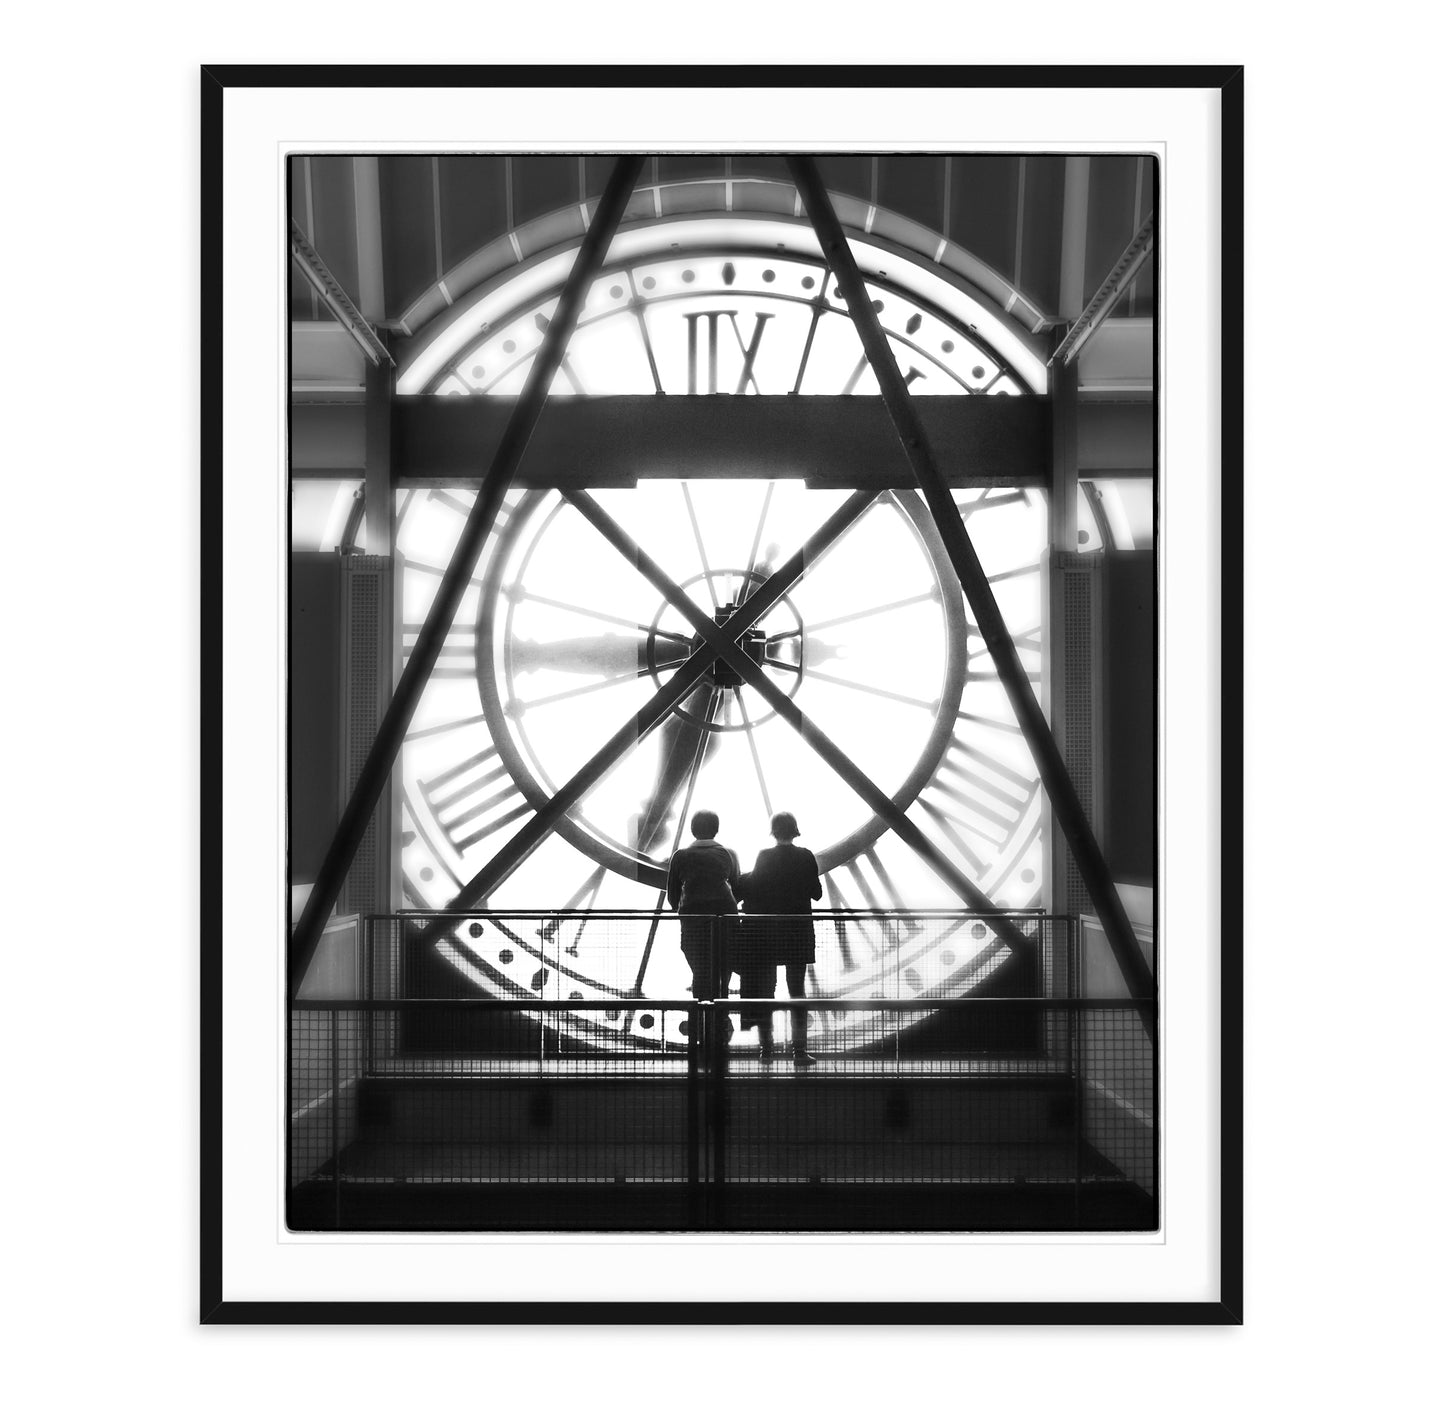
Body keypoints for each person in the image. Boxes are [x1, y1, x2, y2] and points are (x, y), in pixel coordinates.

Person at [736, 812, 822, 1065]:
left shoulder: (764, 856)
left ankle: (766, 1049)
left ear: (773, 832)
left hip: (767, 933)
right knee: (797, 990)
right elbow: (816, 893)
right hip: (798, 931)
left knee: (767, 990)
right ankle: (799, 1050)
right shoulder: (806, 856)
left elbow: (755, 885)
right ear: (795, 831)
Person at [665, 810, 740, 1003]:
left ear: (692, 830)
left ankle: (700, 1014)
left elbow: (673, 894)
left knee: (700, 969)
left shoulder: (680, 856)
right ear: (716, 830)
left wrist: (681, 909)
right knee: (724, 965)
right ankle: (721, 1011)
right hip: (725, 919)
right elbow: (737, 888)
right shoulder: (728, 854)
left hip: (693, 921)